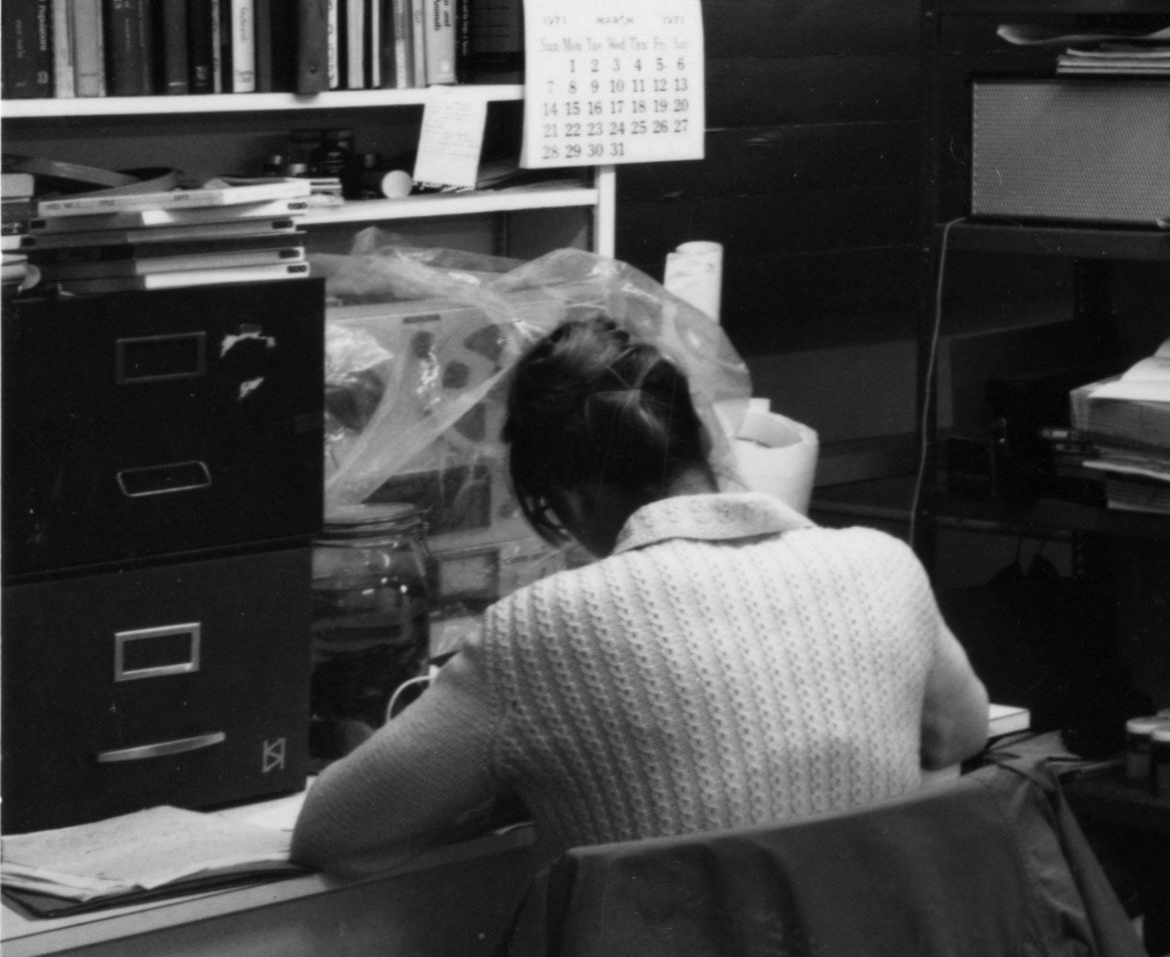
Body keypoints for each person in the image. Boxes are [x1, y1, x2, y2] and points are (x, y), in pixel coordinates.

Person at [293, 312, 994, 870]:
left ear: (572, 496)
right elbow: (960, 732)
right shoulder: (882, 563)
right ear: (701, 447)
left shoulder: (542, 627)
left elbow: (332, 832)